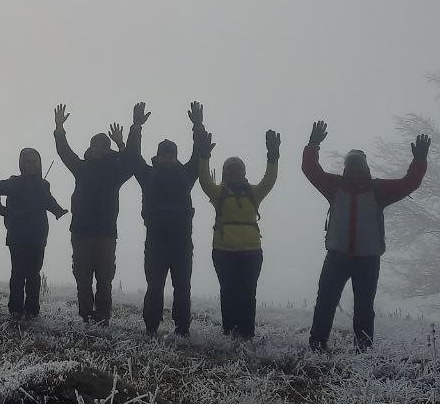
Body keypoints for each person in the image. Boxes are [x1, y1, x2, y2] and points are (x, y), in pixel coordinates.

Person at [304, 120, 429, 351]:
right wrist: (312, 145)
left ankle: (362, 350)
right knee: (326, 303)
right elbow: (310, 169)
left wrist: (419, 161)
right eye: (351, 165)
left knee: (362, 307)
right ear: (346, 167)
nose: (355, 169)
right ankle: (318, 345)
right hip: (339, 256)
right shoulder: (336, 186)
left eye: (358, 165)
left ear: (366, 168)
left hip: (366, 260)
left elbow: (409, 183)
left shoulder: (377, 189)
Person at [53, 103, 145, 325]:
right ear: (91, 147)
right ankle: (86, 316)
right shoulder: (81, 167)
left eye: (104, 146)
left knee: (105, 279)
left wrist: (133, 131)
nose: (99, 148)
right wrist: (59, 128)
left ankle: (102, 318)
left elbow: (132, 159)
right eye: (96, 145)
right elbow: (64, 152)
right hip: (81, 232)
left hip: (105, 234)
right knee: (82, 278)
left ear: (108, 149)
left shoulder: (116, 171)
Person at [194, 112, 280, 340]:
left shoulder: (254, 192)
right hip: (224, 251)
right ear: (224, 173)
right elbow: (204, 179)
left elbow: (269, 180)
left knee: (248, 293)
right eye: (229, 169)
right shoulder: (219, 192)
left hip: (251, 252)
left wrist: (273, 157)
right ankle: (230, 332)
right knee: (228, 292)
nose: (234, 172)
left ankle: (246, 333)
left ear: (243, 171)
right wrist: (203, 157)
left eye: (237, 168)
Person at [129, 102, 204, 337]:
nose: (167, 159)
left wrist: (198, 126)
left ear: (175, 156)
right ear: (158, 156)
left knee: (183, 288)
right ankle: (151, 327)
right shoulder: (147, 175)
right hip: (156, 243)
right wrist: (136, 127)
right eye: (163, 155)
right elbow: (133, 156)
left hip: (182, 243)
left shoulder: (188, 174)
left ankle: (182, 329)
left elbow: (199, 154)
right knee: (155, 287)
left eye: (170, 155)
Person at [0, 148, 68, 320]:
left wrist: (58, 210)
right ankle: (16, 309)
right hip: (17, 236)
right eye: (27, 161)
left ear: (39, 163)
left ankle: (32, 310)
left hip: (38, 236)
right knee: (18, 273)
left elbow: (49, 201)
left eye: (34, 161)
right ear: (21, 164)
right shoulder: (13, 183)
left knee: (33, 274)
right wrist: (4, 211)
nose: (31, 165)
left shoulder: (43, 184)